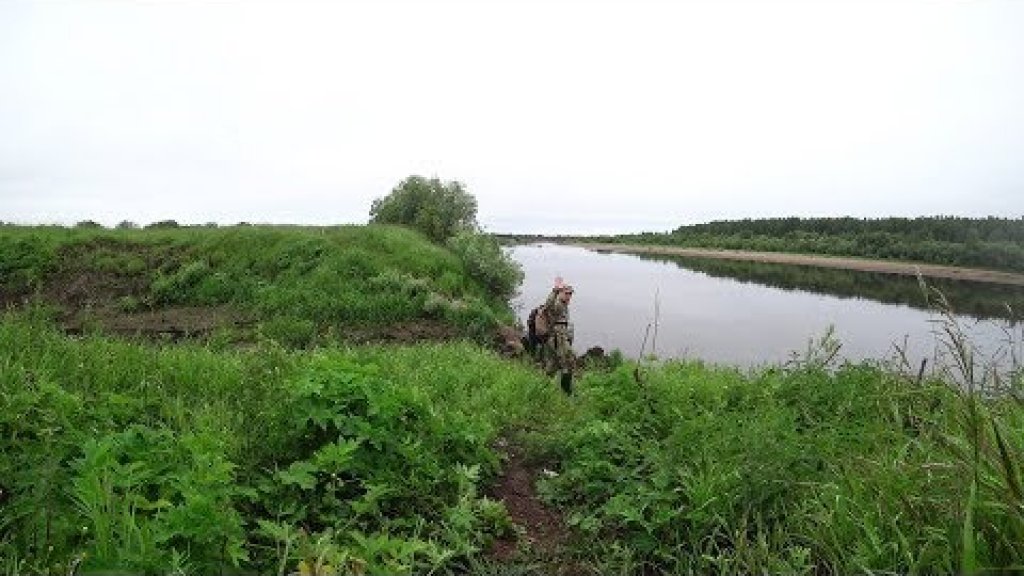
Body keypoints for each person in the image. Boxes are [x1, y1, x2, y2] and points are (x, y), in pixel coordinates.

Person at [542, 276, 576, 395]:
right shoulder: (557, 304)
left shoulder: (565, 305)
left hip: (558, 339)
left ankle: (543, 388)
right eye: (566, 293)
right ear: (561, 293)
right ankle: (567, 392)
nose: (569, 296)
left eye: (570, 294)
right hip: (558, 340)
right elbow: (548, 305)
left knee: (553, 365)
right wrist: (555, 290)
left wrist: (569, 337)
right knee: (569, 363)